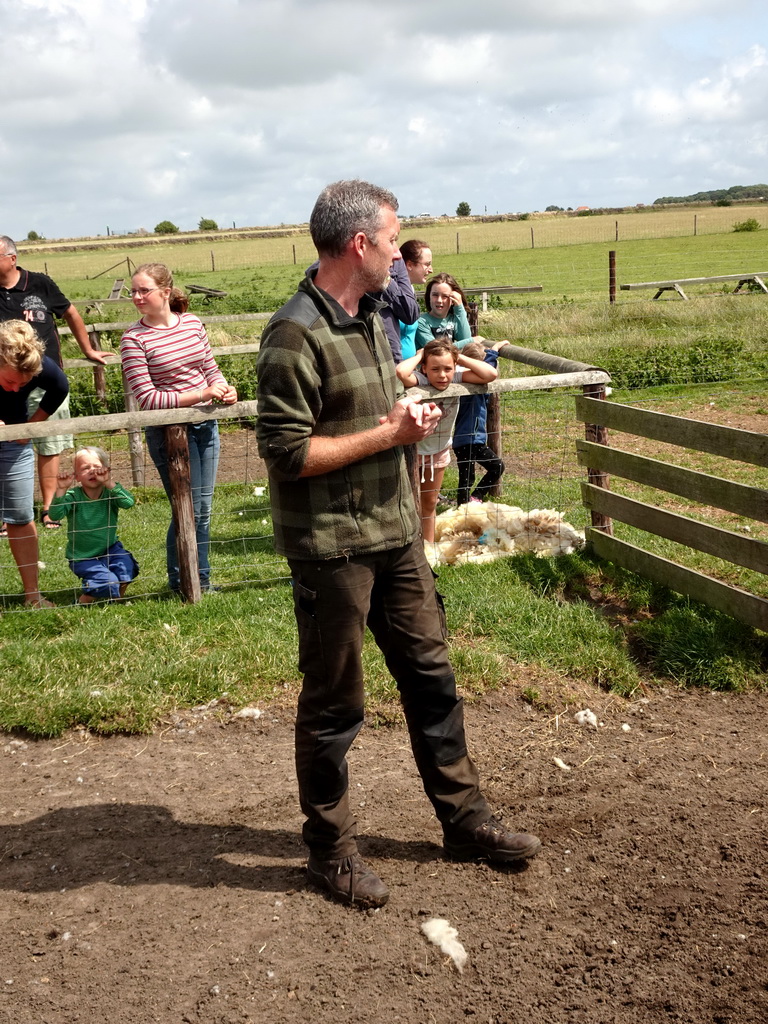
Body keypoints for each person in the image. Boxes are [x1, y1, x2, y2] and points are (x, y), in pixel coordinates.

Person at [256, 179, 541, 910]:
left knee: (433, 680)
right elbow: (287, 453)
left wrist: (397, 412)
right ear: (361, 245)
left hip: (393, 538)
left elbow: (362, 417)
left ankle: (465, 821)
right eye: (392, 240)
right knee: (335, 704)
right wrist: (391, 432)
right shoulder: (293, 334)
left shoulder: (373, 317)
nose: (399, 255)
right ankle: (330, 850)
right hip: (332, 549)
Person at [119, 264, 237, 594]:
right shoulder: (133, 339)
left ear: (165, 293)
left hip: (205, 426)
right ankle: (189, 581)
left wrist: (224, 388)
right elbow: (147, 398)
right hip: (168, 432)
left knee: (202, 509)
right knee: (187, 508)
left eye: (144, 290)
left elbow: (210, 368)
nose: (137, 297)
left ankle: (194, 580)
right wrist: (200, 395)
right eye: (134, 291)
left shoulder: (193, 324)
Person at [0, 235, 108, 531]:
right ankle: (5, 512)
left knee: (49, 445)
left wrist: (87, 349)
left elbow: (70, 312)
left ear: (12, 258)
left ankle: (49, 508)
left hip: (43, 377)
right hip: (5, 380)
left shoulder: (39, 283)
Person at [396, 340, 497, 544]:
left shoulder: (458, 377)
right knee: (406, 501)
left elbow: (490, 374)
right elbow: (401, 372)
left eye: (447, 368)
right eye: (435, 369)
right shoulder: (420, 379)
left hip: (439, 450)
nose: (442, 375)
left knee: (430, 502)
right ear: (424, 368)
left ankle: (428, 546)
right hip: (412, 451)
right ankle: (407, 546)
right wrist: (420, 354)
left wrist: (458, 357)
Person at [0, 319, 68, 608]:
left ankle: (32, 596)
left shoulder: (41, 367)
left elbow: (59, 387)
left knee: (20, 516)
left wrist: (31, 425)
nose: (15, 390)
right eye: (10, 381)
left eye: (23, 384)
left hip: (14, 444)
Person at [48, 446, 139, 604]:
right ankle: (84, 600)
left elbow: (129, 503)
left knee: (126, 566)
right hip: (82, 556)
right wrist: (61, 490)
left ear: (106, 470)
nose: (92, 471)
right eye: (85, 468)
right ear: (76, 476)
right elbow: (55, 515)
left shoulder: (110, 493)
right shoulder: (73, 496)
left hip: (110, 548)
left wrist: (109, 482)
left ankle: (116, 599)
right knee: (107, 580)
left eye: (97, 467)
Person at [452, 341, 507, 506]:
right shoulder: (474, 382)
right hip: (470, 439)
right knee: (493, 468)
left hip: (467, 439)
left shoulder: (460, 380)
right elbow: (488, 368)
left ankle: (468, 502)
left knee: (468, 476)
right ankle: (471, 501)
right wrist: (494, 351)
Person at [414, 273, 472, 352]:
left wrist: (459, 308)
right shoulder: (421, 322)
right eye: (435, 295)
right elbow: (435, 350)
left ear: (453, 300)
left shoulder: (454, 319)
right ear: (429, 297)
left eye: (445, 296)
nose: (439, 300)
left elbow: (466, 344)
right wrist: (471, 340)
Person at [398, 239, 433, 360]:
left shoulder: (411, 291)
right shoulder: (392, 294)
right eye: (427, 264)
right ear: (409, 265)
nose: (431, 269)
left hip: (409, 368)